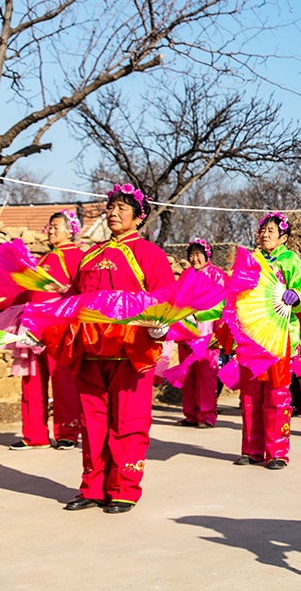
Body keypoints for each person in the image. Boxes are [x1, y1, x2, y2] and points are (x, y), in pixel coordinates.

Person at [43, 185, 175, 513]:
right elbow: (74, 298)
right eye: (111, 207)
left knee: (128, 422)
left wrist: (160, 328)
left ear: (139, 216)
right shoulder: (90, 255)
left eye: (122, 208)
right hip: (88, 352)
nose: (113, 212)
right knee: (92, 422)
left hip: (131, 352)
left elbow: (166, 298)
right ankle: (92, 487)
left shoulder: (149, 254)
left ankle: (124, 489)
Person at [234, 213, 301, 469]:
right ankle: (251, 449)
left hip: (279, 338)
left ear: (284, 237)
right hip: (253, 338)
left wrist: (297, 294)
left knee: (277, 395)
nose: (265, 234)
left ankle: (277, 452)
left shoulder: (291, 261)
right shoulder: (250, 261)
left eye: (271, 230)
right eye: (263, 230)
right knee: (249, 397)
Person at [8, 210, 85, 450]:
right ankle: (34, 435)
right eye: (49, 227)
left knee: (63, 380)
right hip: (31, 326)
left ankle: (68, 433)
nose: (51, 230)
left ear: (71, 230)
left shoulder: (78, 257)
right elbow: (25, 291)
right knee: (32, 380)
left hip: (59, 325)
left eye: (56, 226)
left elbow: (83, 290)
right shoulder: (42, 260)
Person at [176, 239, 228, 428]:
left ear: (207, 255)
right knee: (188, 375)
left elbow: (224, 305)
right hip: (187, 333)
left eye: (198, 254)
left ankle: (206, 415)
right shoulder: (186, 275)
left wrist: (219, 333)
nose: (194, 258)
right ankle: (191, 414)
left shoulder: (218, 276)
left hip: (207, 334)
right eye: (191, 254)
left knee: (206, 376)